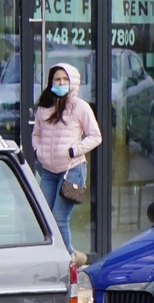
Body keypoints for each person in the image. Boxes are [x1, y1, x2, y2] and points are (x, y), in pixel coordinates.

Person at [29, 63, 102, 242]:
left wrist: (74, 151)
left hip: (72, 169)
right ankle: (59, 258)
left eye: (65, 79)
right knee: (43, 217)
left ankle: (68, 260)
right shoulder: (44, 107)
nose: (61, 83)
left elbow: (95, 136)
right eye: (57, 79)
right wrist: (39, 151)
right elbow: (36, 133)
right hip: (48, 172)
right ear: (51, 82)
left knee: (59, 218)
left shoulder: (80, 107)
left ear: (73, 82)